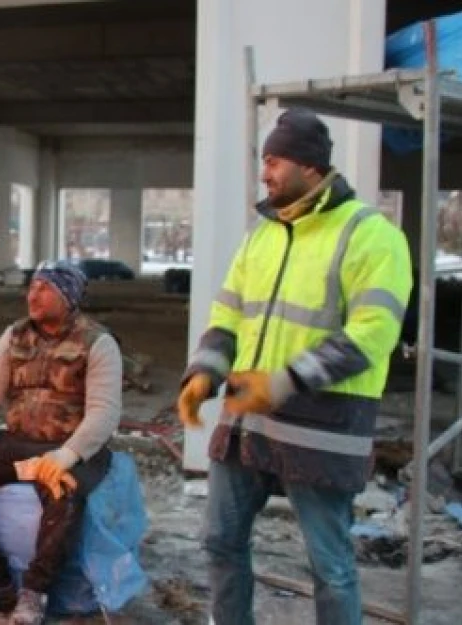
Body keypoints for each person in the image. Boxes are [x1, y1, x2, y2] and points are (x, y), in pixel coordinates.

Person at [177, 107, 412, 625]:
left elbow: (374, 333)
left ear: (310, 165)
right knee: (219, 540)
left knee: (328, 565)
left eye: (275, 159)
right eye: (264, 159)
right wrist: (205, 373)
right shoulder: (262, 234)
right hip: (247, 424)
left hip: (323, 426)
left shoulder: (370, 234)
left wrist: (284, 382)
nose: (265, 172)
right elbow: (228, 314)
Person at [0, 261, 121, 625]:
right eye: (31, 286)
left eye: (44, 287)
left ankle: (34, 592)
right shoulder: (14, 336)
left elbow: (104, 413)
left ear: (67, 297)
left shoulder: (98, 342)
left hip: (75, 448)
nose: (32, 295)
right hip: (18, 442)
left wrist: (66, 456)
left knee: (64, 494)